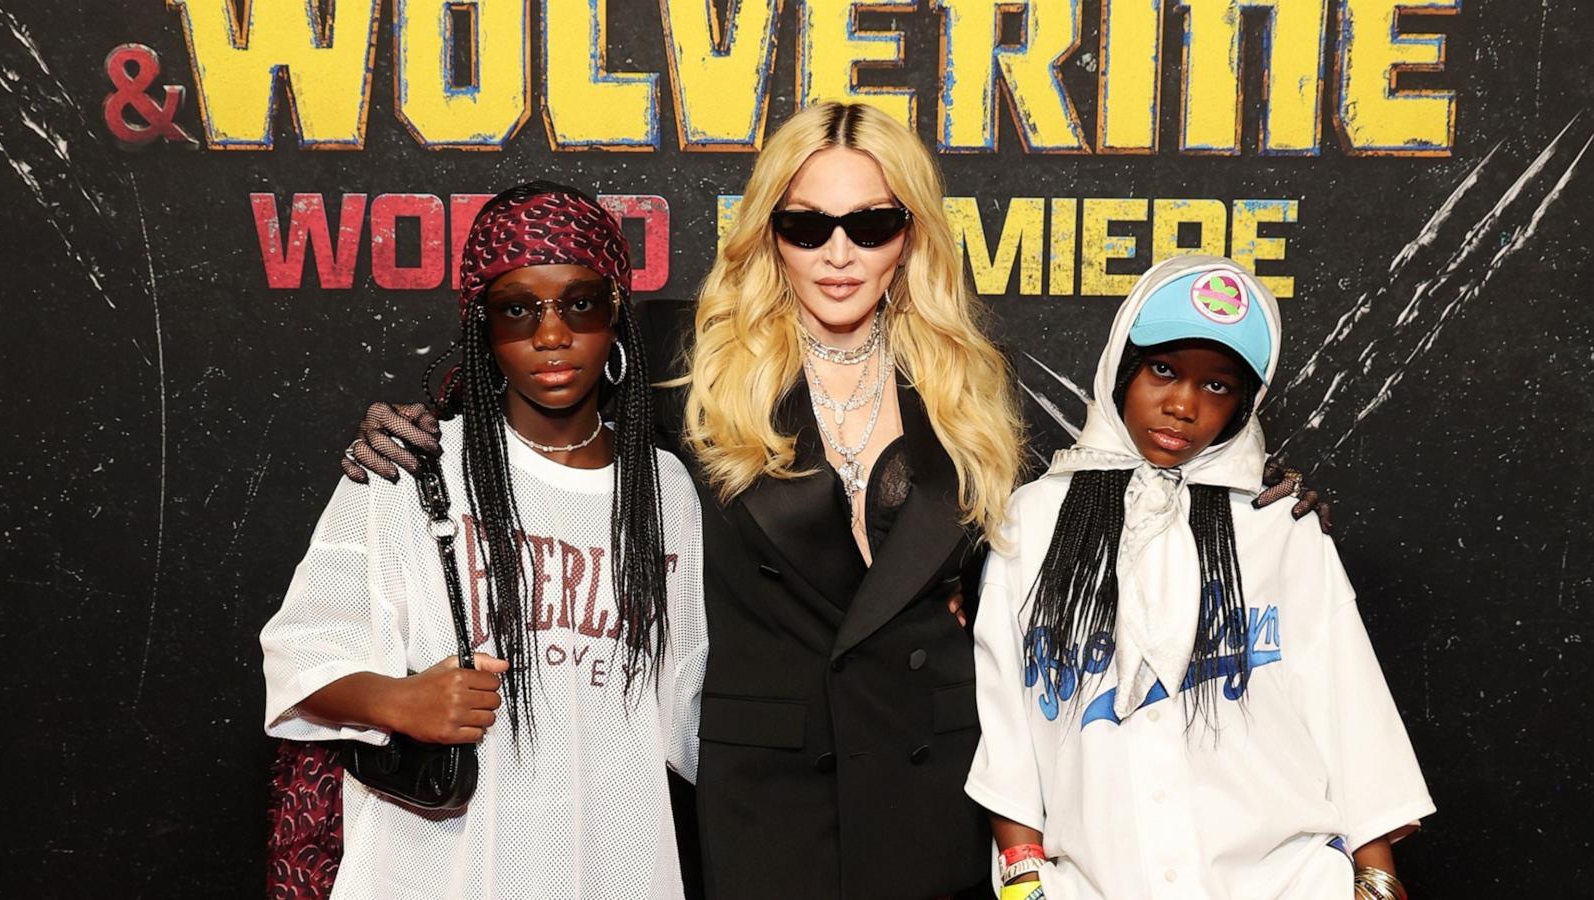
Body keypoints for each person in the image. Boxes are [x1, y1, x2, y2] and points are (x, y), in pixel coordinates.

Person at [340, 104, 1331, 898]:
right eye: (808, 224)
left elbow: (1063, 543)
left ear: (910, 235)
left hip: (931, 774)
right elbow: (533, 390)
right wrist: (422, 420)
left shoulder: (967, 382)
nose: (839, 252)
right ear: (770, 229)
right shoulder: (679, 359)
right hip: (763, 786)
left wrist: (1231, 493)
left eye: (872, 223)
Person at [261, 183, 708, 899]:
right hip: (438, 866)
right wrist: (398, 701)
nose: (552, 333)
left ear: (616, 311)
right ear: (482, 325)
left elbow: (691, 704)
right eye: (518, 308)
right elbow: (299, 654)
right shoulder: (410, 469)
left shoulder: (666, 490)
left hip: (612, 860)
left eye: (579, 302)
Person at [966, 256, 1432, 900]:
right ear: (1122, 365)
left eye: (1218, 386)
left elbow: (1345, 702)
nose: (1183, 405)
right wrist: (1024, 877)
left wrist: (1376, 878)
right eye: (1162, 369)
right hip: (1098, 883)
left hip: (1285, 882)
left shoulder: (1278, 519)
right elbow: (1006, 714)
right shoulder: (1037, 517)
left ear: (1246, 402)